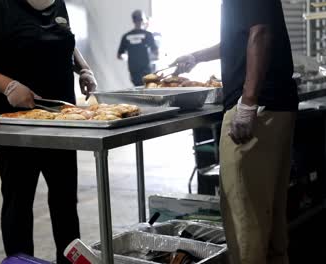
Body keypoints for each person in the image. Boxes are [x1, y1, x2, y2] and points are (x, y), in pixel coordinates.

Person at [0, 0, 97, 263]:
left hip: (61, 125)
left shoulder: (57, 3)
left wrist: (83, 68)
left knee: (66, 204)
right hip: (16, 128)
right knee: (18, 205)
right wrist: (8, 86)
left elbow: (63, 39)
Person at [172, 0, 298, 263]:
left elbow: (260, 33)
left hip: (258, 112)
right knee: (269, 221)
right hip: (273, 108)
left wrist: (248, 103)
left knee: (245, 224)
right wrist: (196, 56)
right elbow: (238, 40)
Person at [118, 10, 159, 86]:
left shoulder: (126, 36)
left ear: (133, 20)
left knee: (139, 89)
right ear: (143, 20)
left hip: (134, 70)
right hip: (146, 70)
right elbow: (156, 53)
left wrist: (128, 56)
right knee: (148, 89)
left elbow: (120, 55)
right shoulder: (148, 35)